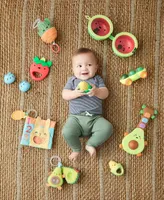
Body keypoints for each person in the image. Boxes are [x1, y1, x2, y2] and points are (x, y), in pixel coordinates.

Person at [62, 48, 113, 161]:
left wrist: (97, 91)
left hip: (95, 119)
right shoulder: (73, 80)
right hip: (75, 118)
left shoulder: (97, 79)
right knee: (67, 132)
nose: (84, 68)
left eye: (89, 64)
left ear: (96, 67)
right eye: (79, 66)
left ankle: (91, 144)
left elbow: (105, 93)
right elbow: (64, 95)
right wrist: (74, 93)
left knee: (108, 128)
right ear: (73, 69)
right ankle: (76, 149)